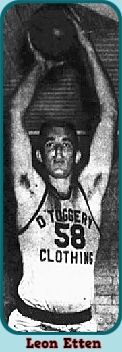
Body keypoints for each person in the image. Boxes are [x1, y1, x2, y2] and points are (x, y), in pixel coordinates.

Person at [8, 8, 117, 332]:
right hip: (29, 323)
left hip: (82, 326)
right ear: (38, 156)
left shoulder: (90, 191)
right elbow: (15, 112)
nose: (58, 150)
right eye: (50, 145)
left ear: (76, 153)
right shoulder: (29, 191)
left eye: (66, 144)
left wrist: (86, 45)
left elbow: (109, 114)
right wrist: (40, 68)